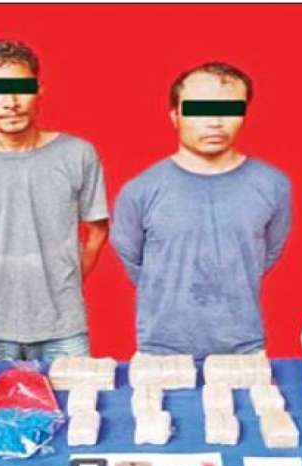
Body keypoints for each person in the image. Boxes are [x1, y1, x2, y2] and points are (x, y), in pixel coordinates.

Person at [0, 39, 110, 362]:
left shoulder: (78, 154)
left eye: (21, 88)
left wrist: (66, 278)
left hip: (64, 326)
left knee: (76, 395)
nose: (10, 102)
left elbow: (97, 230)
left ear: (39, 89)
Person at [110, 62, 292, 362]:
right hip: (161, 348)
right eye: (200, 109)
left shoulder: (273, 185)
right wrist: (169, 287)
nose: (215, 122)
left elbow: (267, 254)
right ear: (175, 116)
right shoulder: (140, 190)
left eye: (229, 109)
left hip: (243, 347)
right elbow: (131, 256)